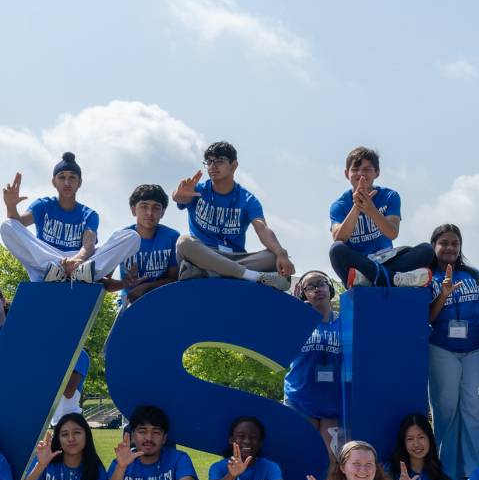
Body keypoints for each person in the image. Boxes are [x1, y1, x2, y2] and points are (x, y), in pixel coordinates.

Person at [420, 225, 479, 480]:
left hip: (476, 349)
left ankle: (477, 476)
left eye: (455, 243)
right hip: (442, 349)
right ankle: (448, 476)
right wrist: (443, 294)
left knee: (475, 410)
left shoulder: (474, 275)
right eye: (444, 243)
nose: (450, 248)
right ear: (433, 246)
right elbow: (427, 316)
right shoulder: (427, 277)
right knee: (446, 410)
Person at [0, 154, 141, 283]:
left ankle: (80, 274)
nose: (67, 182)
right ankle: (56, 271)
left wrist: (77, 260)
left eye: (72, 177)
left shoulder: (89, 214)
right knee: (7, 225)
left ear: (79, 182)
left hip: (79, 263)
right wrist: (10, 206)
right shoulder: (43, 205)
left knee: (132, 237)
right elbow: (18, 224)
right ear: (54, 182)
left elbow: (88, 244)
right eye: (62, 177)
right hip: (47, 263)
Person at [172, 141, 294, 289]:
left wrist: (280, 252)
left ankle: (212, 273)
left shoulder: (248, 199)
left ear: (234, 165)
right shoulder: (196, 190)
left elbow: (262, 228)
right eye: (209, 162)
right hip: (204, 254)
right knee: (183, 242)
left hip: (235, 258)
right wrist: (178, 195)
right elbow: (178, 196)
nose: (213, 166)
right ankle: (251, 277)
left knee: (273, 256)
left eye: (219, 161)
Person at [325, 146, 404, 287]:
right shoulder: (339, 205)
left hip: (387, 261)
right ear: (346, 173)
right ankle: (390, 279)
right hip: (358, 266)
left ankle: (378, 277)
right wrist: (357, 207)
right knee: (336, 250)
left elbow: (392, 233)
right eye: (355, 170)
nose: (361, 174)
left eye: (367, 170)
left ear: (377, 173)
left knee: (425, 251)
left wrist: (370, 209)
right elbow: (339, 238)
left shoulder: (390, 196)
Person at [282, 271, 343, 449]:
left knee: (332, 462)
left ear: (329, 287)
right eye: (310, 287)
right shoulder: (297, 321)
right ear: (303, 293)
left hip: (332, 403)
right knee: (303, 457)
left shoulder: (346, 320)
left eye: (321, 283)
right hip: (299, 398)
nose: (317, 289)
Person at [101, 184, 182, 311]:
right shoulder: (121, 238)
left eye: (156, 208)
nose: (150, 213)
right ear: (133, 210)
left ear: (163, 212)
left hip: (162, 300)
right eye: (144, 206)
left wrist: (146, 287)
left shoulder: (172, 237)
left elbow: (175, 279)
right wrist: (124, 284)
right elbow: (103, 281)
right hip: (128, 301)